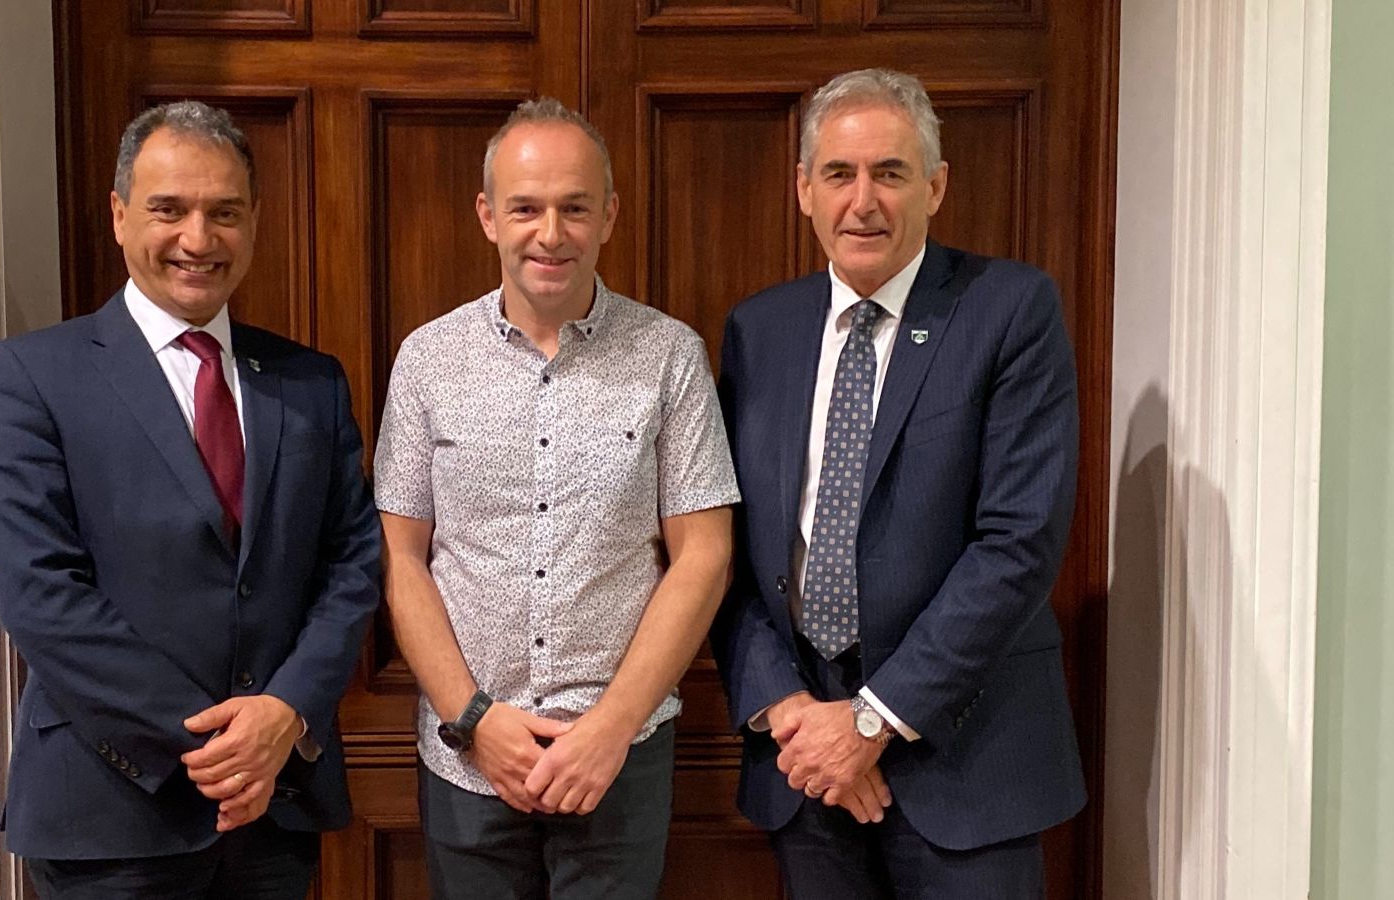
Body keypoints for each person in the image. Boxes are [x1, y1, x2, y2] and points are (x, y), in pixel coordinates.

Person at [0, 100, 381, 899]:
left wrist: (285, 714)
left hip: (275, 814)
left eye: (224, 212)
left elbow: (353, 564)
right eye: (170, 209)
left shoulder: (310, 382)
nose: (198, 239)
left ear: (255, 220)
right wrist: (216, 748)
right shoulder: (32, 377)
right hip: (110, 814)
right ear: (121, 214)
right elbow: (41, 594)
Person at [710, 69, 1086, 899]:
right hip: (805, 764)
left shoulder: (1011, 310)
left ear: (937, 186)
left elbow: (1018, 544)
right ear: (804, 190)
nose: (864, 201)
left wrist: (873, 719)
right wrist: (792, 714)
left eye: (890, 173)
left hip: (964, 761)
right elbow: (721, 548)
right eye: (839, 175)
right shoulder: (758, 329)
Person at [373, 97, 739, 899]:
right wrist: (474, 719)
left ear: (608, 214)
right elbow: (402, 558)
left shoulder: (671, 356)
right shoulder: (427, 360)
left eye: (574, 207)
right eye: (526, 208)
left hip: (621, 756)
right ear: (486, 216)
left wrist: (607, 730)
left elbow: (704, 556)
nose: (550, 233)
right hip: (468, 757)